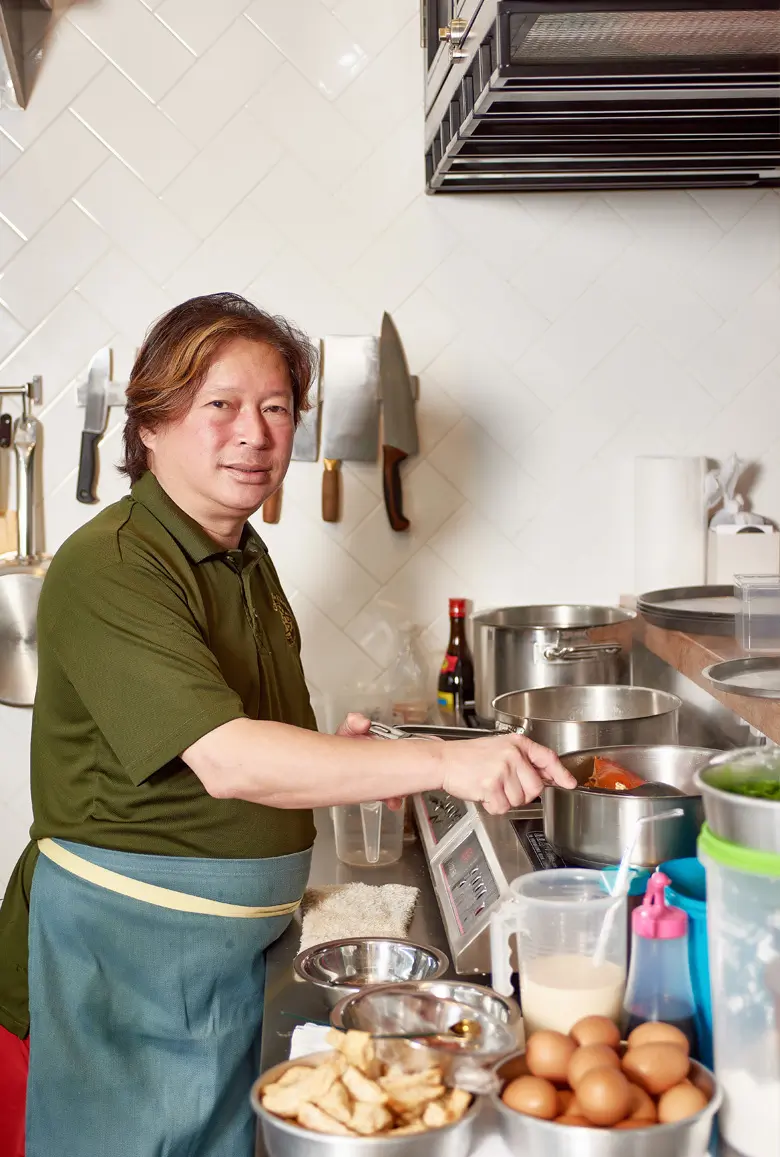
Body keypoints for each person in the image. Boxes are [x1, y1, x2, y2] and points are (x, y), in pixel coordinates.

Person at [0, 293, 575, 1157]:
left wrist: (334, 759)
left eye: (276, 408)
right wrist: (438, 764)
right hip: (119, 968)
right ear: (151, 424)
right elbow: (230, 760)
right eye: (219, 405)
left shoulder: (239, 549)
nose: (255, 432)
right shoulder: (114, 563)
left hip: (210, 966)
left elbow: (246, 731)